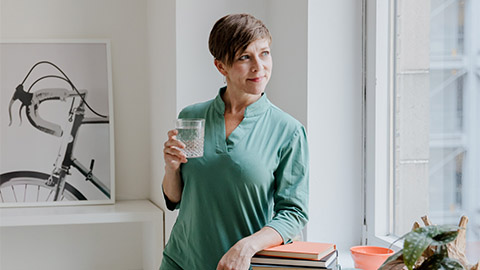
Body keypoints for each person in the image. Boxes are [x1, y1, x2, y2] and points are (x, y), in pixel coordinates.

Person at [160, 13, 309, 270]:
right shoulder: (191, 117)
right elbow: (177, 198)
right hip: (181, 260)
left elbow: (294, 214)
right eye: (244, 57)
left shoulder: (289, 131)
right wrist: (171, 167)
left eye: (264, 53)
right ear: (221, 66)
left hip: (241, 265)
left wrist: (247, 246)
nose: (259, 66)